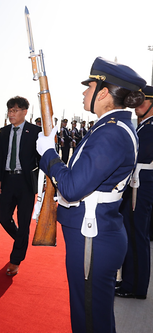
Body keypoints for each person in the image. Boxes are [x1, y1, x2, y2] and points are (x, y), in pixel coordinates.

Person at [36, 57, 145, 332]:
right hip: (93, 235)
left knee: (90, 321)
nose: (84, 92)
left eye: (89, 87)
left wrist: (48, 153)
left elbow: (72, 187)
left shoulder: (111, 133)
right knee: (93, 316)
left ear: (104, 93)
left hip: (92, 239)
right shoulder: (108, 128)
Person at [0, 96, 41, 276]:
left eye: (14, 111)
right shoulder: (3, 132)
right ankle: (21, 240)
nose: (11, 114)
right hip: (7, 180)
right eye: (9, 111)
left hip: (26, 182)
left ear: (24, 112)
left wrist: (45, 183)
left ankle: (16, 259)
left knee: (24, 221)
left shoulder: (36, 131)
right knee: (3, 217)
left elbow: (42, 159)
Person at [116, 85, 153, 300]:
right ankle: (129, 280)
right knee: (130, 234)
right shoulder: (143, 125)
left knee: (137, 236)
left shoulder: (149, 127)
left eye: (142, 101)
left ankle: (136, 286)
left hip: (142, 186)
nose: (137, 106)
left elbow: (138, 157)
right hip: (135, 185)